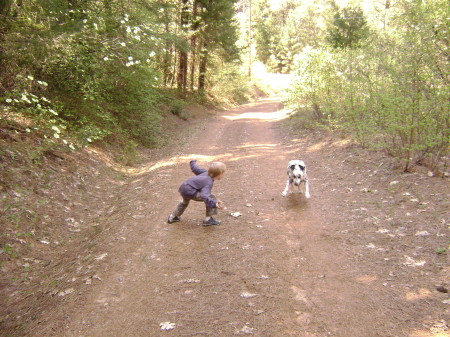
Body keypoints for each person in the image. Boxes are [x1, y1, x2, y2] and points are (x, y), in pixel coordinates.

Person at [168, 159, 226, 226]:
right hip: (190, 191)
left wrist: (192, 162)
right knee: (211, 197)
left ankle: (173, 217)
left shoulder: (206, 172)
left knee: (184, 202)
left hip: (184, 188)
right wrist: (215, 204)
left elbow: (196, 169)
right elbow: (205, 196)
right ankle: (208, 220)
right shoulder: (208, 182)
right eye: (223, 173)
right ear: (219, 174)